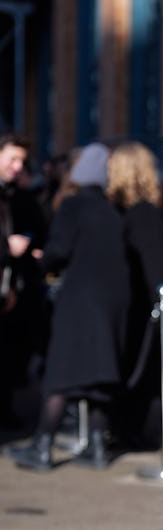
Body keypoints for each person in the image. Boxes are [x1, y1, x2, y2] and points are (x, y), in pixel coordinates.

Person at [7, 143, 130, 470]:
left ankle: (42, 446)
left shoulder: (73, 206)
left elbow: (58, 251)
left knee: (62, 373)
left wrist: (37, 258)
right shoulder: (112, 210)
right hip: (112, 301)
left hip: (79, 299)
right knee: (99, 374)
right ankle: (97, 448)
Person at [107, 142, 163, 447]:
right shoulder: (139, 213)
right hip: (137, 305)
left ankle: (131, 431)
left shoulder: (131, 214)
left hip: (135, 305)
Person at [0, 132, 48, 428]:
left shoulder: (17, 197)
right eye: (13, 158)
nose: (18, 166)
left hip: (11, 290)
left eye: (22, 160)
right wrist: (7, 248)